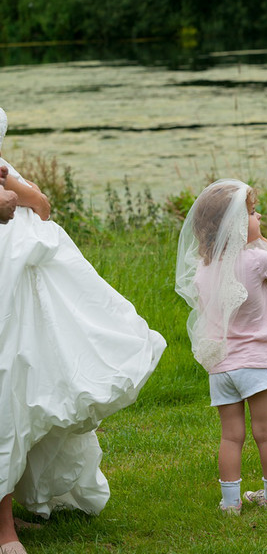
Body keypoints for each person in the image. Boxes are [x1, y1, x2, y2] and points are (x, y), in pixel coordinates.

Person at [0, 107, 166, 554]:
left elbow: (42, 206)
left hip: (25, 275)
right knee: (7, 386)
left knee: (30, 381)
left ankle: (10, 509)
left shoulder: (5, 172)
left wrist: (13, 186)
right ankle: (3, 529)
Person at [175, 179, 267, 515]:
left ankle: (230, 504)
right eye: (253, 214)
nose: (259, 218)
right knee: (266, 433)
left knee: (231, 437)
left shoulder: (204, 267)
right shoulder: (256, 260)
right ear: (238, 225)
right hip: (257, 361)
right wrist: (263, 241)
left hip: (222, 365)